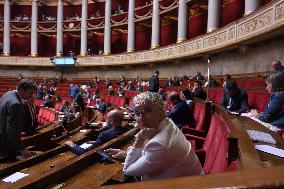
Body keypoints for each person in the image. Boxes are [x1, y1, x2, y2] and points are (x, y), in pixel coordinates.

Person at [106, 92, 204, 181]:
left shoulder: (159, 144)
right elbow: (155, 155)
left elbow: (127, 169)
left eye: (147, 111)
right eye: (137, 113)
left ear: (161, 111)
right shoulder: (167, 123)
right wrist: (126, 153)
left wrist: (140, 139)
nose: (140, 118)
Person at [0, 79, 37, 158]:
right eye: (30, 92)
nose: (31, 95)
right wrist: (23, 149)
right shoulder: (15, 104)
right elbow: (11, 131)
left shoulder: (8, 94)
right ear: (22, 90)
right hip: (6, 144)